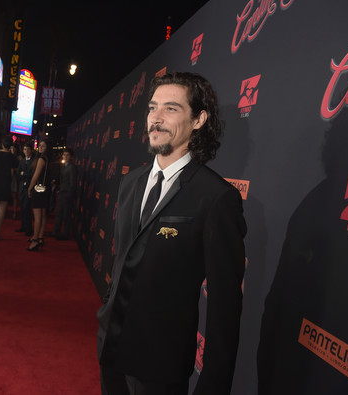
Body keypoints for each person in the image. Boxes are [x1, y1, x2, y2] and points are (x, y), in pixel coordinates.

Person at [96, 72, 247, 395]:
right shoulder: (130, 182)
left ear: (198, 120)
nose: (157, 118)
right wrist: (106, 314)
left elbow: (225, 306)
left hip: (160, 365)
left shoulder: (216, 198)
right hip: (110, 346)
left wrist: (213, 384)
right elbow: (123, 257)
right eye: (152, 108)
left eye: (172, 109)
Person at [26, 138, 51, 251]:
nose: (40, 147)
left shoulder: (41, 159)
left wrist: (30, 188)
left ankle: (35, 240)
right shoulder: (49, 158)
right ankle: (40, 237)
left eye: (43, 146)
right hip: (46, 189)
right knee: (42, 214)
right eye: (40, 145)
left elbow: (36, 176)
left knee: (37, 217)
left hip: (38, 189)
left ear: (47, 148)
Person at [52, 148, 77, 240]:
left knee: (66, 215)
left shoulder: (72, 167)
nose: (65, 157)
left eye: (67, 155)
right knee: (59, 213)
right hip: (62, 193)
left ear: (71, 157)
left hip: (67, 195)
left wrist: (68, 195)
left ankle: (66, 234)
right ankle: (56, 231)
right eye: (64, 155)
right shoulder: (64, 166)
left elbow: (73, 183)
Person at [16, 142, 35, 237]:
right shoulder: (22, 161)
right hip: (21, 188)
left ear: (31, 150)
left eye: (27, 149)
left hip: (29, 187)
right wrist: (23, 174)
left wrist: (24, 174)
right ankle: (23, 226)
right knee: (22, 208)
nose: (26, 151)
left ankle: (29, 229)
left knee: (27, 208)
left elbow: (32, 175)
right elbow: (18, 174)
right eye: (24, 149)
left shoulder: (34, 161)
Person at [9, 143, 23, 220]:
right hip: (8, 178)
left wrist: (14, 169)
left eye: (14, 148)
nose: (13, 150)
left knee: (14, 196)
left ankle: (14, 212)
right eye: (12, 148)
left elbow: (22, 168)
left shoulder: (19, 158)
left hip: (15, 178)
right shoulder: (7, 156)